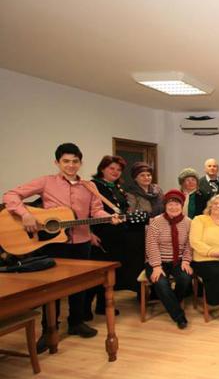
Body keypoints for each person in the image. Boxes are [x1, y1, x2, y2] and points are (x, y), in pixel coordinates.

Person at [2, 143, 120, 352]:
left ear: (80, 163)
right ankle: (49, 330)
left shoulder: (89, 187)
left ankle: (76, 322)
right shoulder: (46, 182)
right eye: (66, 161)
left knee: (79, 285)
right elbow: (10, 195)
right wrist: (26, 214)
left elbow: (96, 211)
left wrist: (109, 217)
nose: (71, 165)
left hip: (81, 241)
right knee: (51, 289)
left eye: (75, 161)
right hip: (53, 243)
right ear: (57, 162)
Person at [84, 155, 129, 319]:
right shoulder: (92, 186)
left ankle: (103, 305)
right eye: (112, 168)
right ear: (102, 169)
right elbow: (84, 212)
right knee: (96, 275)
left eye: (119, 169)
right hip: (99, 235)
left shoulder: (117, 187)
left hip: (116, 236)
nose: (115, 172)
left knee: (110, 274)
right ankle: (84, 310)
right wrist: (89, 233)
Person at [144, 189, 193, 329]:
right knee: (161, 283)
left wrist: (186, 261)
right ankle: (179, 316)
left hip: (178, 261)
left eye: (177, 204)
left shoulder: (188, 222)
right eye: (170, 204)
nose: (173, 207)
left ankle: (171, 302)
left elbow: (190, 244)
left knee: (185, 278)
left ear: (182, 206)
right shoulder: (156, 221)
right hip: (157, 261)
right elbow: (151, 244)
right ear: (165, 205)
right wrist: (156, 266)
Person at [125, 161, 164, 294]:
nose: (146, 177)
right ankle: (141, 293)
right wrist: (148, 217)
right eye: (142, 175)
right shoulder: (131, 192)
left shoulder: (157, 190)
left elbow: (165, 206)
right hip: (139, 231)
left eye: (148, 175)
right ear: (135, 177)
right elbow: (131, 212)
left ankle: (157, 290)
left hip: (158, 229)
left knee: (157, 259)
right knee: (140, 262)